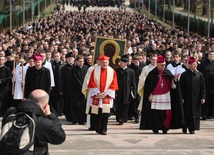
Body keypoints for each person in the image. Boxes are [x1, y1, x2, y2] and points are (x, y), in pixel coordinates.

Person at [1, 89, 66, 154]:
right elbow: (60, 137)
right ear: (46, 106)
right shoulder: (43, 122)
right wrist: (50, 115)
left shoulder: (10, 112)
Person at [139, 55, 184, 134]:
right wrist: (150, 94)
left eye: (164, 65)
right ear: (158, 64)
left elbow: (173, 87)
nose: (163, 66)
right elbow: (149, 87)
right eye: (162, 65)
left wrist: (175, 80)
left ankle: (165, 127)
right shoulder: (152, 74)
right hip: (155, 97)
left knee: (166, 113)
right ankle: (155, 127)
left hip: (166, 96)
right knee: (156, 113)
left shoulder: (167, 73)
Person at [87, 55, 118, 135]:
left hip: (107, 95)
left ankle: (104, 129)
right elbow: (92, 82)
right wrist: (98, 92)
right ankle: (97, 128)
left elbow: (113, 84)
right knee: (97, 112)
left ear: (108, 62)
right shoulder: (95, 70)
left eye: (106, 62)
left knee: (105, 113)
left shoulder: (112, 71)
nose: (105, 64)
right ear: (100, 62)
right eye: (103, 62)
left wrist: (106, 93)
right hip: (97, 94)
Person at [180, 56, 206, 134]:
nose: (195, 66)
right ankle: (185, 127)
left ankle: (193, 128)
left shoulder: (199, 75)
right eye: (193, 64)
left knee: (195, 114)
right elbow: (181, 87)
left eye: (195, 64)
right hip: (186, 98)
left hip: (196, 98)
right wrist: (181, 97)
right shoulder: (184, 74)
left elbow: (203, 87)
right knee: (187, 113)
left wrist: (203, 97)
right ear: (189, 65)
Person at [115, 55, 136, 125]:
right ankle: (119, 118)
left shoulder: (131, 72)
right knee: (119, 105)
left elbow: (133, 83)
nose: (121, 63)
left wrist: (134, 92)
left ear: (126, 63)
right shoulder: (117, 71)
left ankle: (123, 118)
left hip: (127, 91)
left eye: (122, 62)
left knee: (125, 105)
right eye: (120, 62)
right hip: (119, 91)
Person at [69, 55, 88, 124]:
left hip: (84, 90)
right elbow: (75, 79)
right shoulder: (73, 69)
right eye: (79, 61)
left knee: (83, 105)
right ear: (76, 61)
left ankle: (82, 120)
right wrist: (82, 87)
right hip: (75, 90)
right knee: (76, 105)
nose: (81, 63)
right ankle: (75, 119)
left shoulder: (85, 68)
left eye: (82, 61)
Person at [198, 50, 214, 120]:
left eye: (213, 55)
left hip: (213, 85)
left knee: (212, 100)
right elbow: (200, 72)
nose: (212, 56)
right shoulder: (203, 63)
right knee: (205, 99)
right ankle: (204, 114)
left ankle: (212, 114)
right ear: (208, 55)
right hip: (205, 84)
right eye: (210, 54)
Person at [60, 52, 75, 121]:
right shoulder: (63, 68)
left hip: (74, 88)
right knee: (67, 102)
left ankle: (73, 115)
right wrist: (61, 89)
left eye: (71, 58)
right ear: (66, 59)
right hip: (66, 87)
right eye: (68, 58)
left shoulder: (75, 67)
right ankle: (68, 115)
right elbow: (61, 79)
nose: (70, 60)